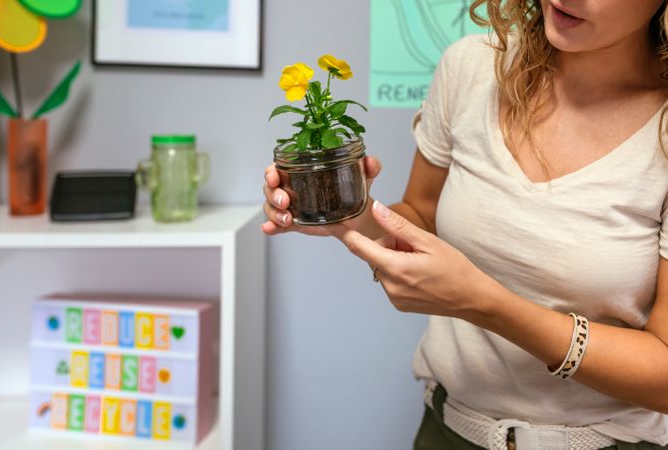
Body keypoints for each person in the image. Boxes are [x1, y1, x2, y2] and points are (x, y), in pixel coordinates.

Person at [262, 0, 668, 448]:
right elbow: (421, 216)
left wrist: (485, 304)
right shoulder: (472, 66)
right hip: (447, 431)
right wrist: (348, 211)